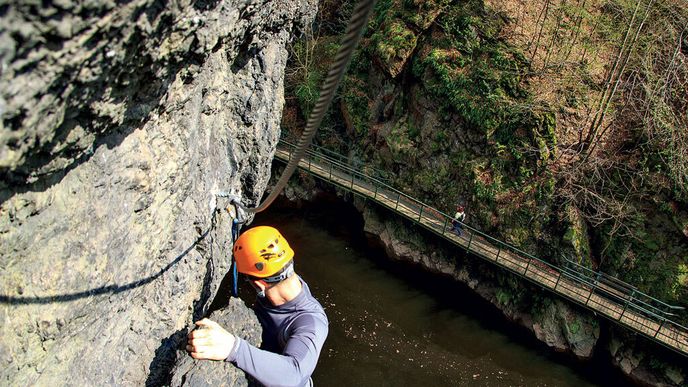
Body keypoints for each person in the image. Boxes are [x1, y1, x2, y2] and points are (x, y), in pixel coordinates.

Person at [186, 226, 329, 387]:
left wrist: (234, 348)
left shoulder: (311, 322)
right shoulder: (283, 286)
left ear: (259, 284)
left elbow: (293, 376)